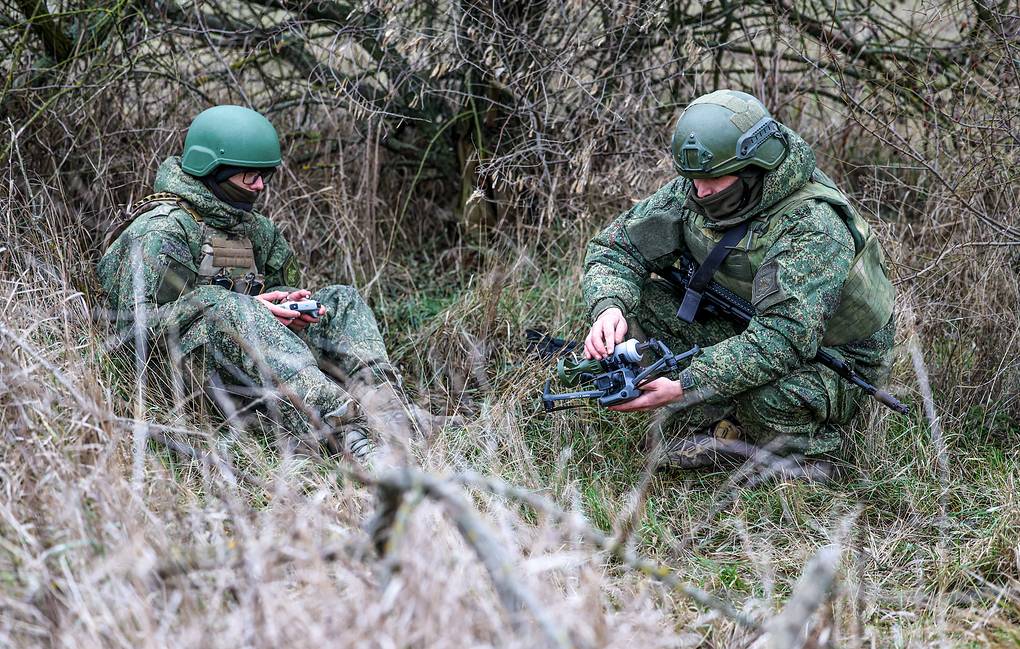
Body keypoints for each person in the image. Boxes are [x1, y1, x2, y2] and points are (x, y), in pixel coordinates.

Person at [98, 105, 442, 465]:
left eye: (264, 176)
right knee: (228, 306)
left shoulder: (255, 230)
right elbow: (133, 329)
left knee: (341, 300)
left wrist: (285, 309)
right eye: (249, 176)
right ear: (214, 170)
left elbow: (273, 299)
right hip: (183, 378)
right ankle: (344, 432)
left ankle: (388, 411)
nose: (260, 186)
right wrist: (230, 306)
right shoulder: (162, 230)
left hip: (255, 364)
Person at [582, 90, 897, 474]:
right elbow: (616, 249)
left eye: (713, 180)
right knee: (639, 306)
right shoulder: (700, 189)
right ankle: (718, 424)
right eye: (693, 179)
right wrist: (609, 307)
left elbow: (782, 340)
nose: (700, 192)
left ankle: (811, 461)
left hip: (834, 359)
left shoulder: (813, 227)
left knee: (766, 396)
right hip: (747, 324)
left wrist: (688, 383)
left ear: (752, 167)